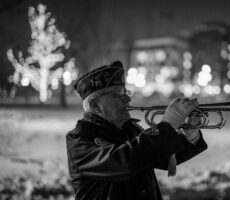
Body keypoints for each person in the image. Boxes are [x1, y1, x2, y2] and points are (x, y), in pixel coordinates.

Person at [66, 60, 208, 200]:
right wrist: (166, 127)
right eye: (118, 93)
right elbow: (123, 162)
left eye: (125, 91)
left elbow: (161, 156)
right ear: (95, 105)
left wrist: (190, 132)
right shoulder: (79, 139)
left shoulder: (130, 129)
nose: (127, 99)